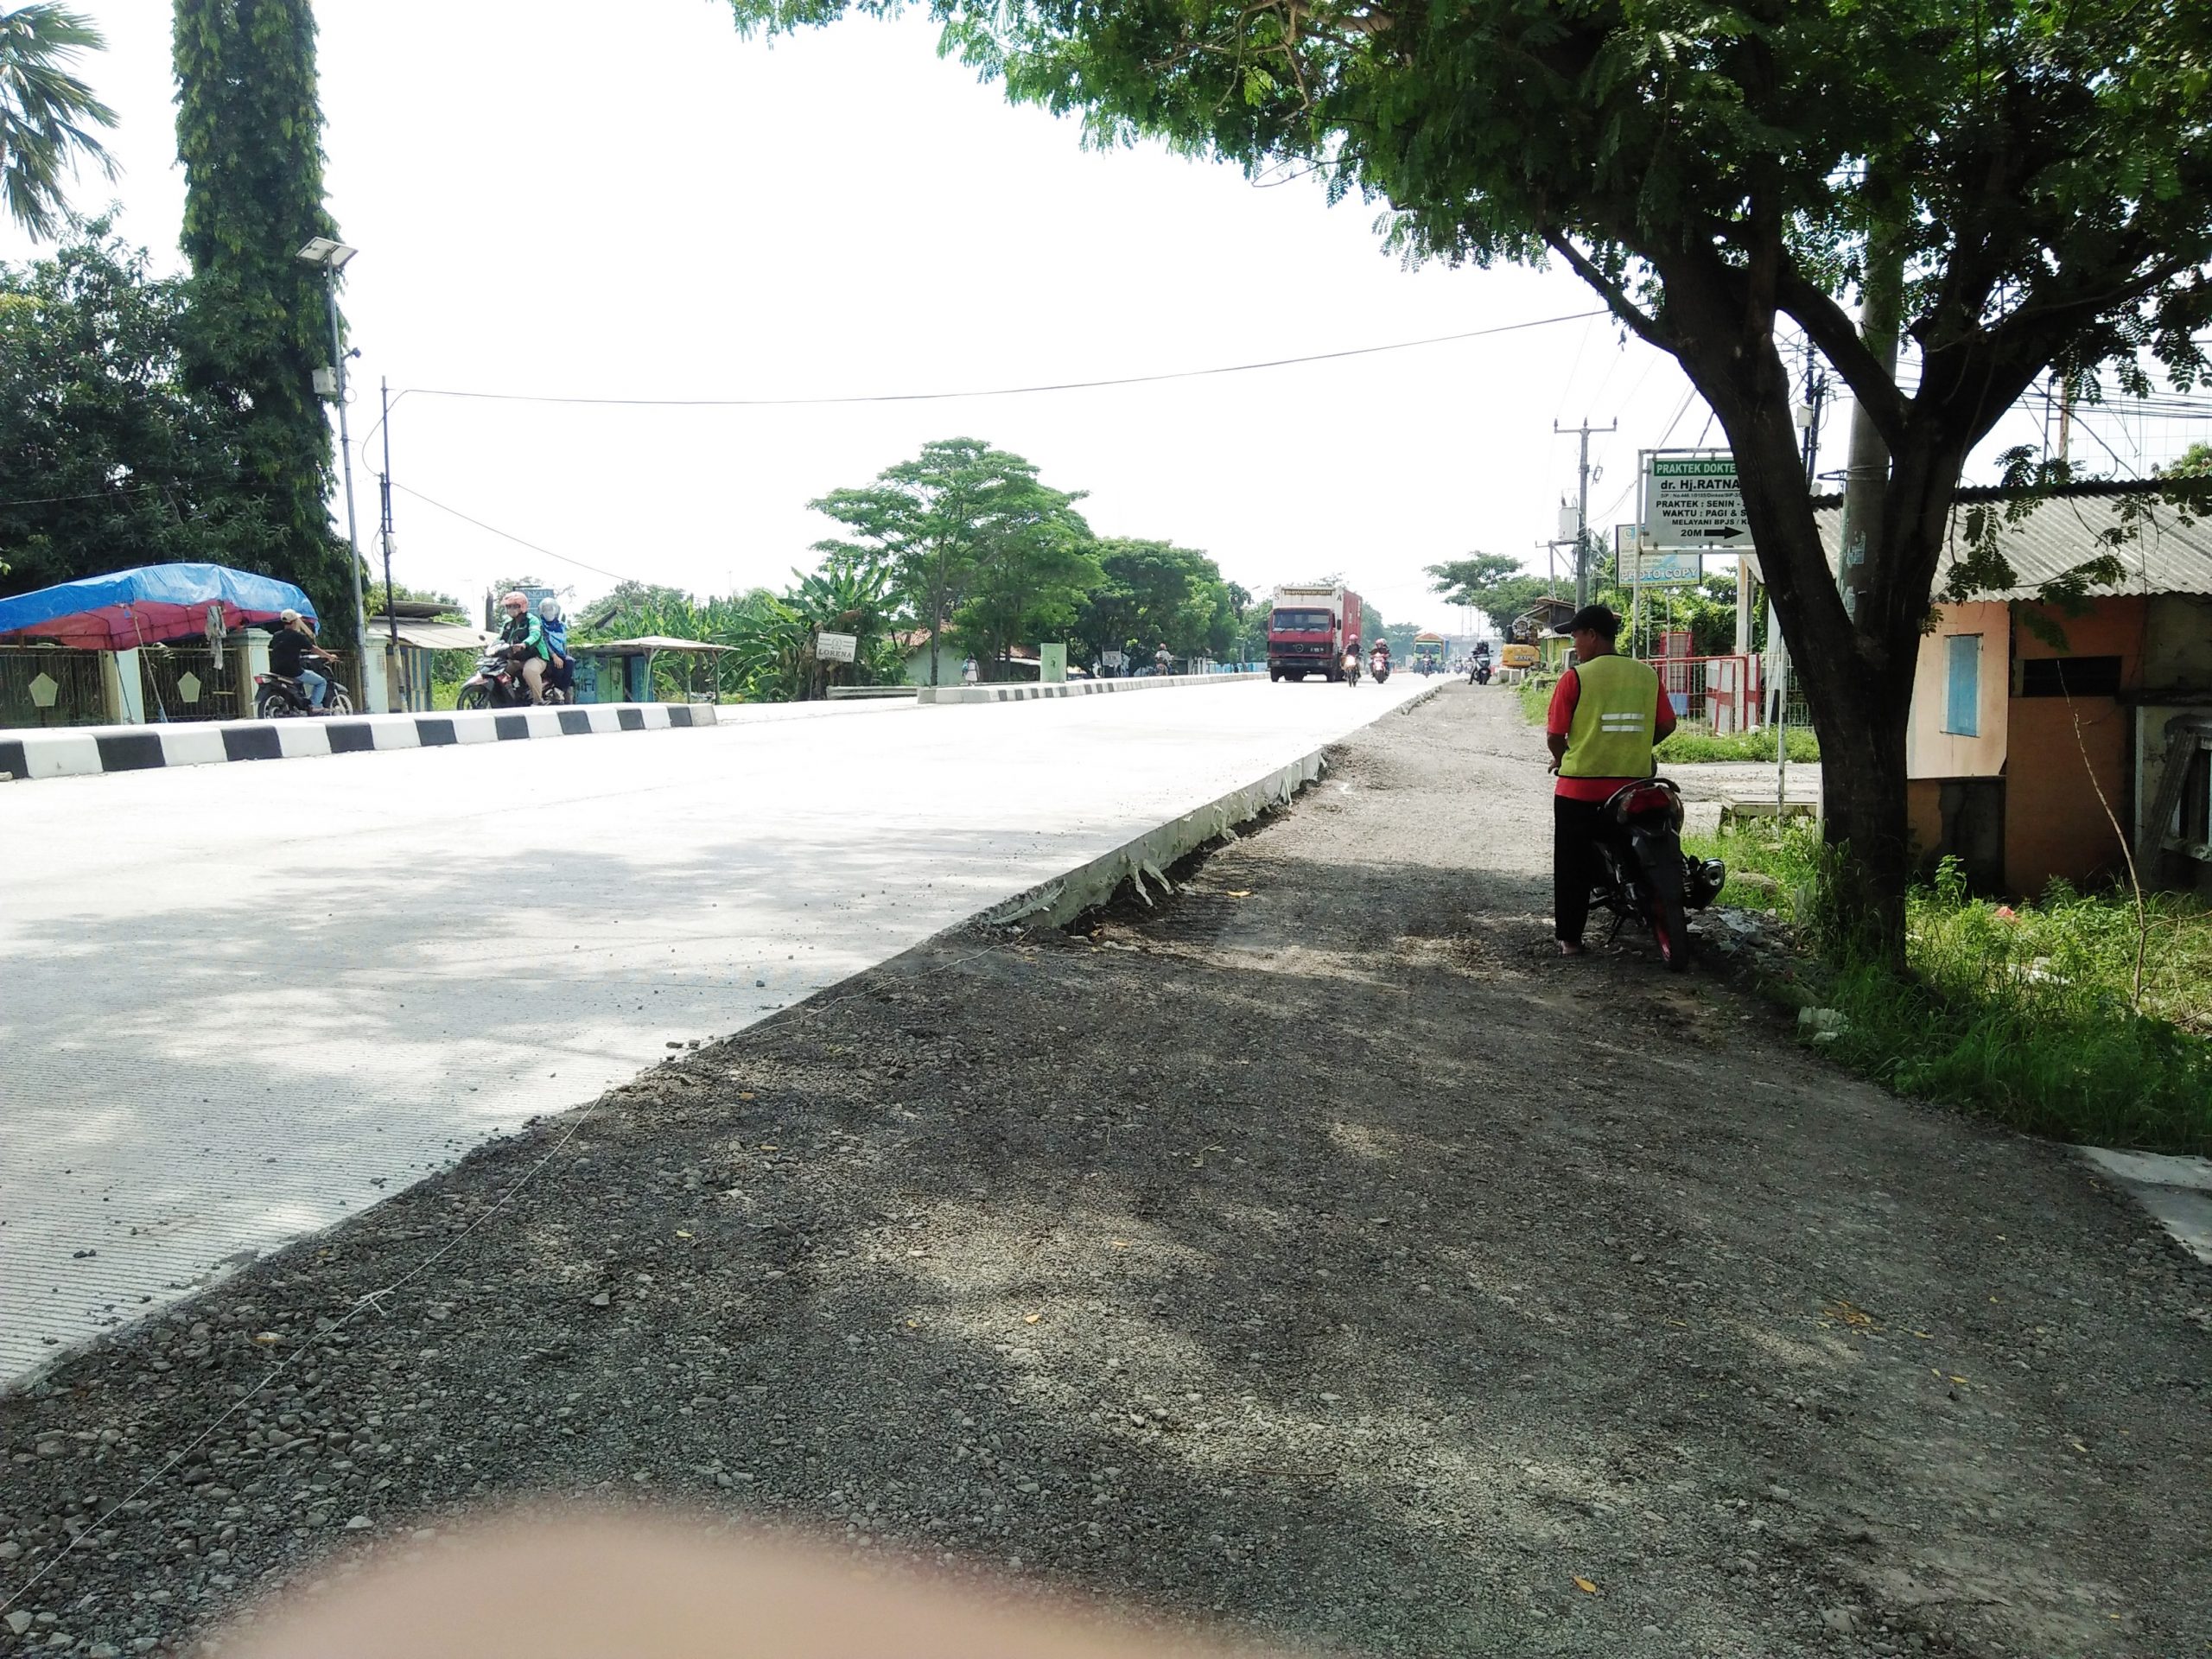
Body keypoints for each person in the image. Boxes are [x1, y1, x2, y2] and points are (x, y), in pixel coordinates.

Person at [1545, 603, 1676, 956]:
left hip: (1581, 791)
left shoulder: (1575, 678)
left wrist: (1561, 759)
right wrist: (1634, 746)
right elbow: (1667, 725)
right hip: (1634, 789)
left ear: (1592, 635)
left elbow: (1556, 735)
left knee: (1571, 864)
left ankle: (1570, 940)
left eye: (1576, 635)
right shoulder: (1647, 675)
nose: (1575, 643)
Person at [267, 608, 331, 712]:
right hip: (293, 671)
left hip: (276, 671)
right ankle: (315, 705)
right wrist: (329, 656)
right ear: (294, 622)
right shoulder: (298, 636)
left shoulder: (276, 636)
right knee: (321, 682)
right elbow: (314, 649)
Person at [498, 590, 551, 703]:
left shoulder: (532, 620)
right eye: (508, 606)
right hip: (516, 658)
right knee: (498, 669)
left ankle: (538, 701)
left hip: (536, 656)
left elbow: (535, 634)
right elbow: (500, 639)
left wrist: (524, 644)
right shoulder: (508, 624)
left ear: (522, 606)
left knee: (529, 671)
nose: (510, 609)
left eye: (514, 606)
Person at [537, 596, 574, 698]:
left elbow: (564, 642)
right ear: (542, 612)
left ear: (556, 610)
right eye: (545, 610)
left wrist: (563, 655)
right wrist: (554, 656)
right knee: (558, 668)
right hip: (548, 654)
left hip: (561, 654)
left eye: (550, 609)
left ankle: (561, 690)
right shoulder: (541, 626)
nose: (548, 612)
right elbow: (544, 642)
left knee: (570, 662)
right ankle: (556, 689)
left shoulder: (561, 626)